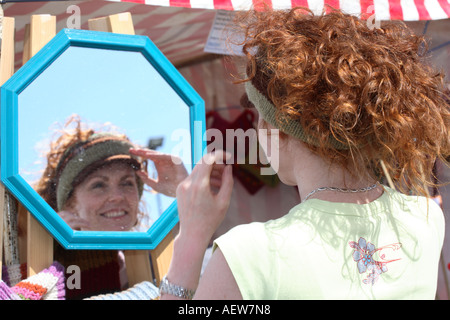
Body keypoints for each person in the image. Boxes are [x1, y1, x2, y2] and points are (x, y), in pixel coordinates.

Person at [160, 8, 450, 300]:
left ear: (275, 126)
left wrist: (191, 240)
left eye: (257, 114)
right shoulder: (426, 220)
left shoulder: (249, 257)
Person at [33, 114, 188, 299]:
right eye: (98, 185)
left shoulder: (159, 259)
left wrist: (185, 193)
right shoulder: (36, 269)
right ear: (70, 204)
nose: (117, 197)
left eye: (127, 183)